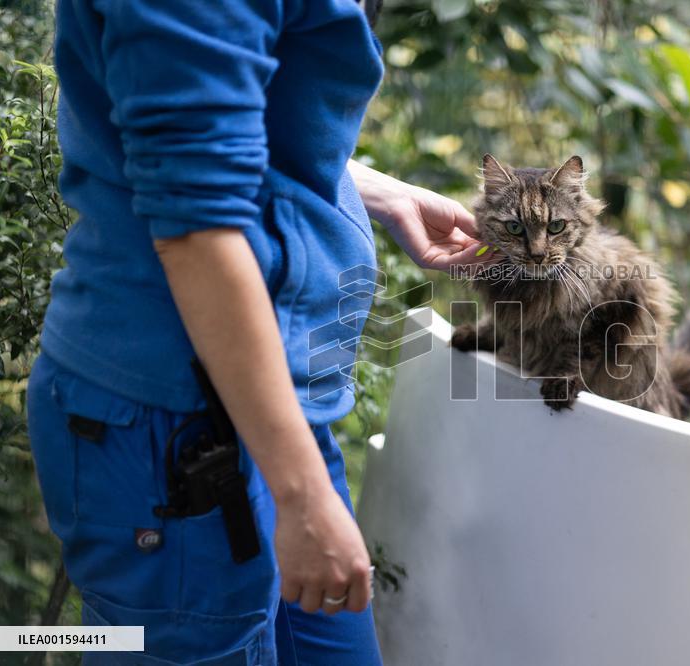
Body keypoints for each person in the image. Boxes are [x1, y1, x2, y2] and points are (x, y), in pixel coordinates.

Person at [26, 0, 491, 663]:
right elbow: (195, 224)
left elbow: (197, 119)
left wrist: (362, 187)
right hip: (178, 433)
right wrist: (300, 493)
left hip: (273, 410)